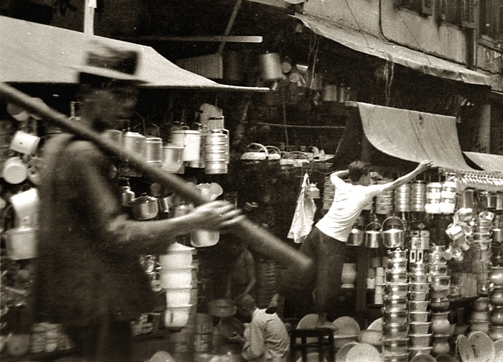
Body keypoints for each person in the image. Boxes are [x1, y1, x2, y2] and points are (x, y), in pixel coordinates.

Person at [36, 52, 241, 362]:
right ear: (88, 93)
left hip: (78, 299)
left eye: (132, 95)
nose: (129, 104)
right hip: (98, 300)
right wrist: (191, 221)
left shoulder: (58, 145)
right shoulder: (83, 154)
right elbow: (117, 233)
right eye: (119, 94)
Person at [277, 159, 431, 324]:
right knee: (329, 279)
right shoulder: (365, 191)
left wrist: (350, 173)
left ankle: (276, 298)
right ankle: (321, 320)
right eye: (368, 175)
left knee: (300, 267)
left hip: (317, 232)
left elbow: (334, 175)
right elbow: (396, 183)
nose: (370, 179)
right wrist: (418, 169)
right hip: (332, 240)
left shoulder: (342, 186)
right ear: (363, 177)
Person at [232, 293, 290, 362]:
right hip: (282, 356)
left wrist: (241, 341)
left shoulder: (256, 320)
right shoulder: (266, 313)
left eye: (238, 311)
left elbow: (256, 353)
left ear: (244, 309)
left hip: (273, 359)